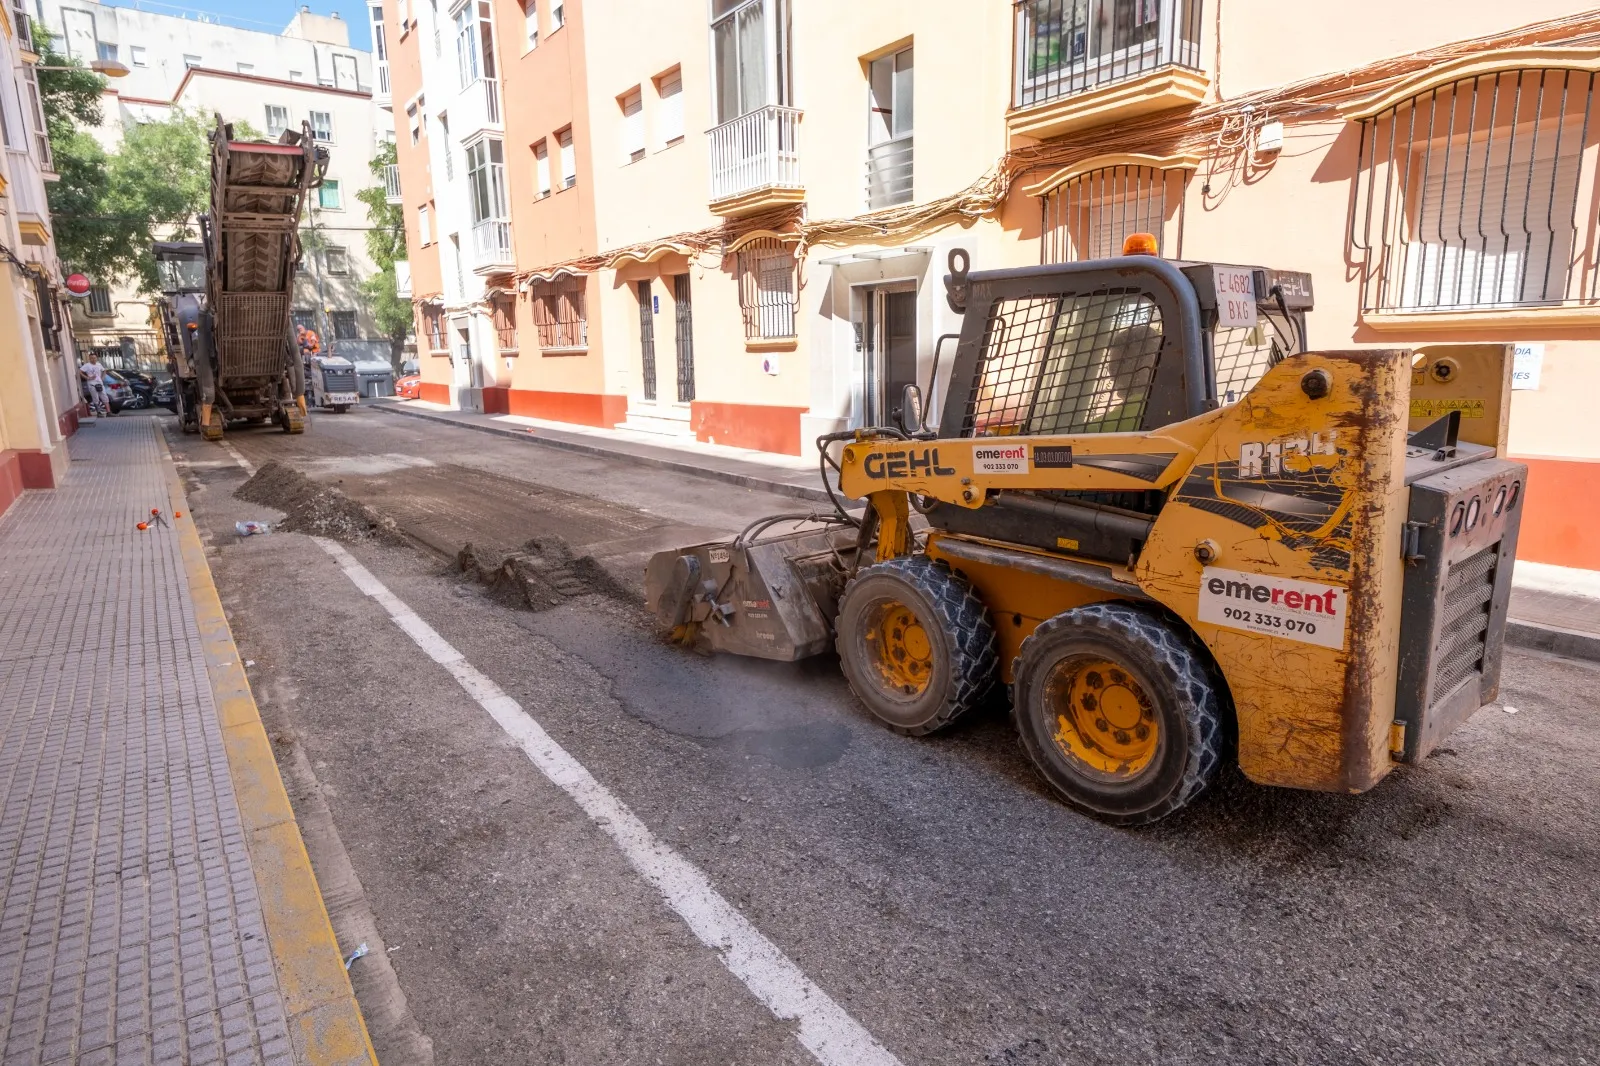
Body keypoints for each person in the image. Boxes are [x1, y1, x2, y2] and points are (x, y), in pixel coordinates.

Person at [80, 353, 112, 417]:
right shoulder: (87, 365)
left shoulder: (99, 364)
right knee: (95, 398)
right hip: (92, 384)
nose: (93, 359)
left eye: (94, 358)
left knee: (104, 397)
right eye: (91, 358)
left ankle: (108, 412)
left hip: (99, 383)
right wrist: (87, 378)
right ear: (89, 358)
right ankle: (99, 412)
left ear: (96, 358)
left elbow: (104, 370)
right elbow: (80, 372)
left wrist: (102, 378)